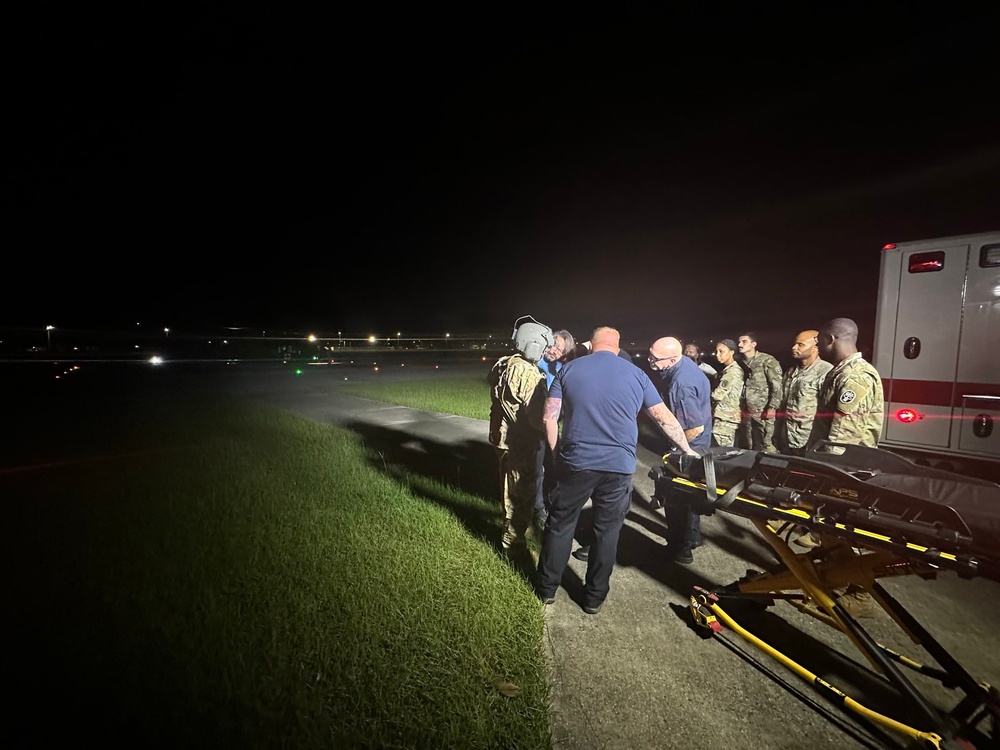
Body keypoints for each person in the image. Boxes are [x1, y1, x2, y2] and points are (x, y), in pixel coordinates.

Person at [535, 327, 699, 614]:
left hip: (577, 461)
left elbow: (549, 418)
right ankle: (593, 598)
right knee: (607, 532)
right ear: (617, 345)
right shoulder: (637, 375)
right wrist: (686, 449)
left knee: (560, 524)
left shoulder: (569, 369)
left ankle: (547, 589)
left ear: (593, 343)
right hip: (619, 467)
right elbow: (664, 418)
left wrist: (556, 453)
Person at [487, 316, 552, 553]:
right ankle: (512, 545)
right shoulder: (528, 374)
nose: (545, 352)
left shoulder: (505, 363)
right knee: (520, 495)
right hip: (520, 443)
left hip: (502, 438)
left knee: (508, 489)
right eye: (544, 347)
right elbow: (537, 418)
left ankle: (510, 537)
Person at [647, 336, 713, 563]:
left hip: (689, 448)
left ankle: (679, 548)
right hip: (698, 446)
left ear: (673, 358)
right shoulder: (685, 366)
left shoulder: (681, 384)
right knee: (691, 496)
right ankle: (692, 537)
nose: (650, 362)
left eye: (656, 359)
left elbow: (694, 427)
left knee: (676, 499)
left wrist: (676, 449)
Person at [809, 318, 884, 451]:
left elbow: (843, 438)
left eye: (818, 341)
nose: (817, 347)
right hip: (828, 459)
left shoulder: (854, 376)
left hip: (843, 465)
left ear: (830, 339)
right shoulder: (841, 372)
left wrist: (828, 467)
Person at [534, 329, 576, 530]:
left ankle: (550, 503)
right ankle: (537, 508)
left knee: (553, 465)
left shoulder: (560, 368)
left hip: (551, 425)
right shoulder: (533, 362)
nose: (555, 351)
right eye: (554, 345)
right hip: (532, 426)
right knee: (536, 470)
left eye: (561, 350)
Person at [774, 330, 833, 456]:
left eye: (800, 345)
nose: (794, 347)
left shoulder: (826, 372)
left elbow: (828, 411)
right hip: (786, 438)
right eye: (795, 344)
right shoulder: (791, 372)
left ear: (815, 347)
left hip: (808, 440)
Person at [736, 331, 783, 453]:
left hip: (762, 410)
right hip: (745, 410)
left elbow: (777, 386)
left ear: (753, 344)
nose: (740, 344)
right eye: (739, 342)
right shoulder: (739, 362)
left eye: (744, 342)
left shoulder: (767, 361)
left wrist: (772, 407)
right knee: (747, 442)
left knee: (766, 443)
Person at [710, 338, 744, 447]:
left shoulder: (733, 371)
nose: (717, 355)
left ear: (732, 352)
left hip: (726, 418)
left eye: (721, 351)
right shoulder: (727, 370)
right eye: (716, 351)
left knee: (722, 452)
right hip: (724, 416)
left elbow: (717, 395)